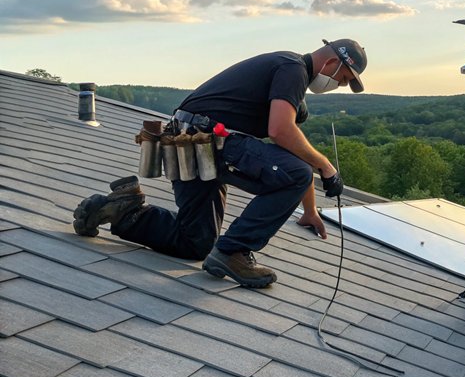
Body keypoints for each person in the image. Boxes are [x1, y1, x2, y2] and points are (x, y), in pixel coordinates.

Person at [70, 39, 367, 288]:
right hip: (206, 141)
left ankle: (126, 213)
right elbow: (281, 131)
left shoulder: (282, 68)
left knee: (195, 243)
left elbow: (290, 149)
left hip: (187, 142)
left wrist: (310, 210)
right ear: (332, 65)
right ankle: (234, 251)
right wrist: (327, 167)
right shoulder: (293, 69)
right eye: (342, 80)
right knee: (296, 172)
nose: (337, 86)